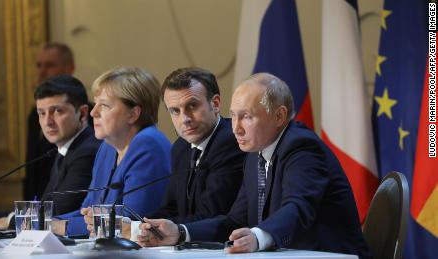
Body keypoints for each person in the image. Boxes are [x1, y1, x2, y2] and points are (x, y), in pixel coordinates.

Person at [137, 73, 372, 259]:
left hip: (330, 255)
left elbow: (299, 207)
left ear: (279, 117)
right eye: (233, 116)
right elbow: (233, 222)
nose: (236, 128)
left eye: (247, 117)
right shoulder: (254, 154)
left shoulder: (301, 147)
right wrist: (179, 233)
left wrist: (258, 236)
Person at [52, 67, 171, 237]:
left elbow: (129, 222)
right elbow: (86, 212)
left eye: (105, 105)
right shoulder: (107, 147)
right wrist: (47, 222)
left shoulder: (149, 144)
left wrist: (59, 227)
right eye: (96, 103)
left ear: (133, 114)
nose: (94, 112)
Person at [0, 75, 100, 228]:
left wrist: (10, 221)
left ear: (83, 113)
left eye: (57, 111)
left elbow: (58, 210)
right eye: (42, 113)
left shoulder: (87, 151)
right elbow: (43, 205)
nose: (48, 122)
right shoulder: (66, 148)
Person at [144, 67, 245, 222]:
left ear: (215, 104)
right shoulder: (180, 147)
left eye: (192, 106)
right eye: (175, 111)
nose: (184, 119)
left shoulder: (231, 142)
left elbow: (210, 214)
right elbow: (171, 208)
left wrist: (165, 229)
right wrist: (139, 225)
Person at [24, 43, 76, 201]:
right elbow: (32, 168)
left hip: (61, 207)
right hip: (36, 207)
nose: (42, 71)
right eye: (39, 65)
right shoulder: (34, 114)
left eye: (50, 65)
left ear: (70, 69)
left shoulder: (84, 115)